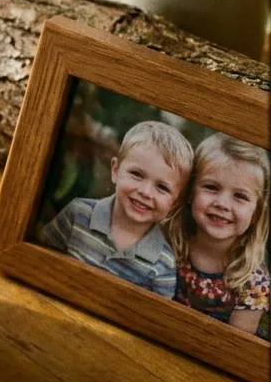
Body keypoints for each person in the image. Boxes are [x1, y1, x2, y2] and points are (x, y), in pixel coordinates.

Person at [39, 121, 193, 297]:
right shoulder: (78, 214)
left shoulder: (163, 264)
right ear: (115, 170)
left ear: (174, 203)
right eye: (137, 174)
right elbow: (40, 260)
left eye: (162, 187)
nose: (145, 192)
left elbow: (147, 319)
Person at [166, 134, 270, 338]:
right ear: (189, 192)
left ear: (256, 213)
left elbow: (234, 350)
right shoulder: (166, 242)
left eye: (240, 196)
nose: (222, 204)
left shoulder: (253, 283)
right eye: (211, 187)